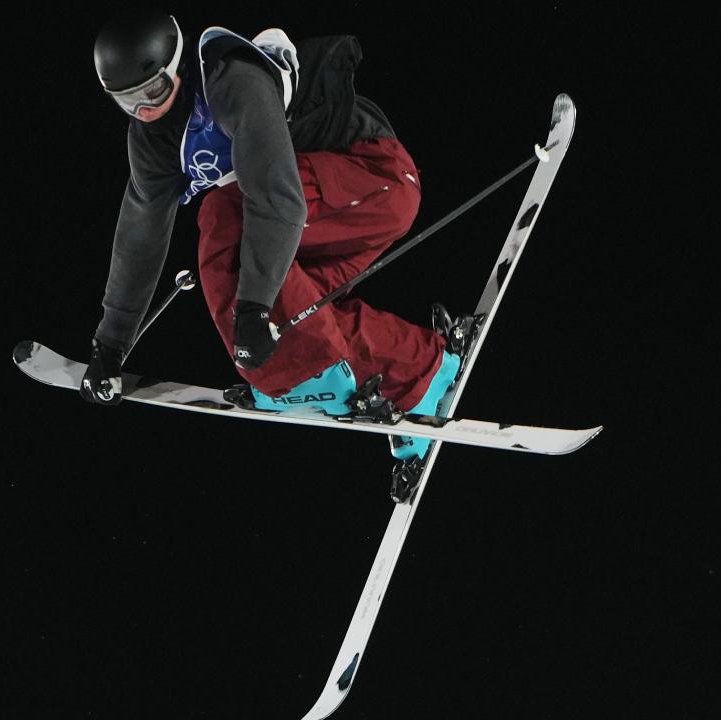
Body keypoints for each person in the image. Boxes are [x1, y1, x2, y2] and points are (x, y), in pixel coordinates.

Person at [79, 10, 474, 489]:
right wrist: (111, 344)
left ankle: (303, 375)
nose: (145, 112)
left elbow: (275, 193)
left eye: (154, 93)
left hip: (375, 181)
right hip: (309, 219)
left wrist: (253, 308)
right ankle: (424, 373)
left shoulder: (231, 80)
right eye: (128, 103)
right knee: (302, 317)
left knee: (224, 216)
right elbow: (140, 234)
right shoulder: (152, 143)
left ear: (178, 69)